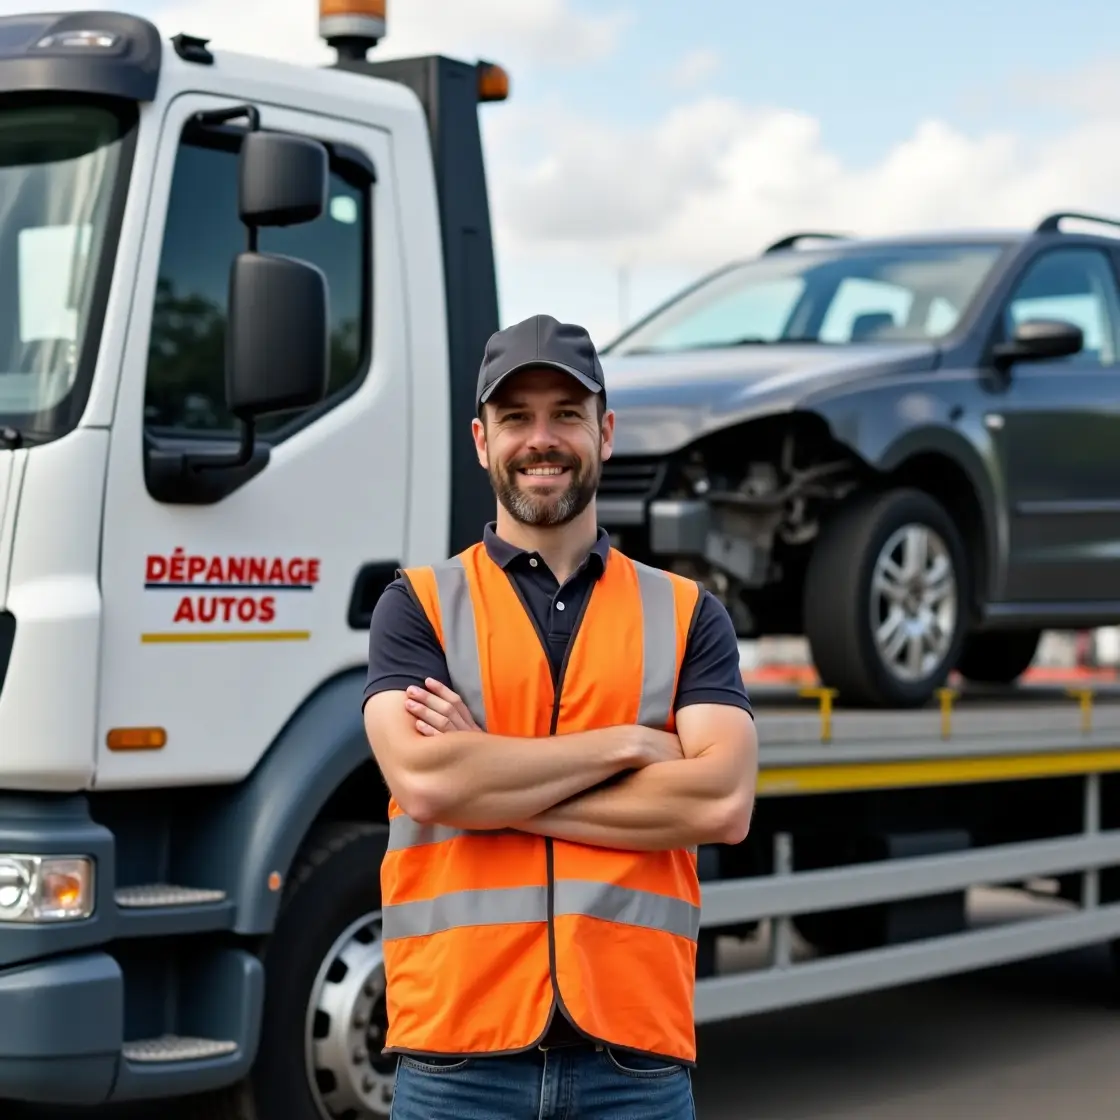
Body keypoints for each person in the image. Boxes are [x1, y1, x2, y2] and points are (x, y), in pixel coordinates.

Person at [362, 313, 759, 1120]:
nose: (541, 439)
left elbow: (720, 802)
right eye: (516, 418)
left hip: (633, 1062)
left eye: (566, 415)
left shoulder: (687, 614)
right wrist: (627, 745)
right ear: (482, 441)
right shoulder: (418, 607)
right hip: (456, 1059)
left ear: (604, 433)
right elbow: (429, 782)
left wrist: (494, 780)